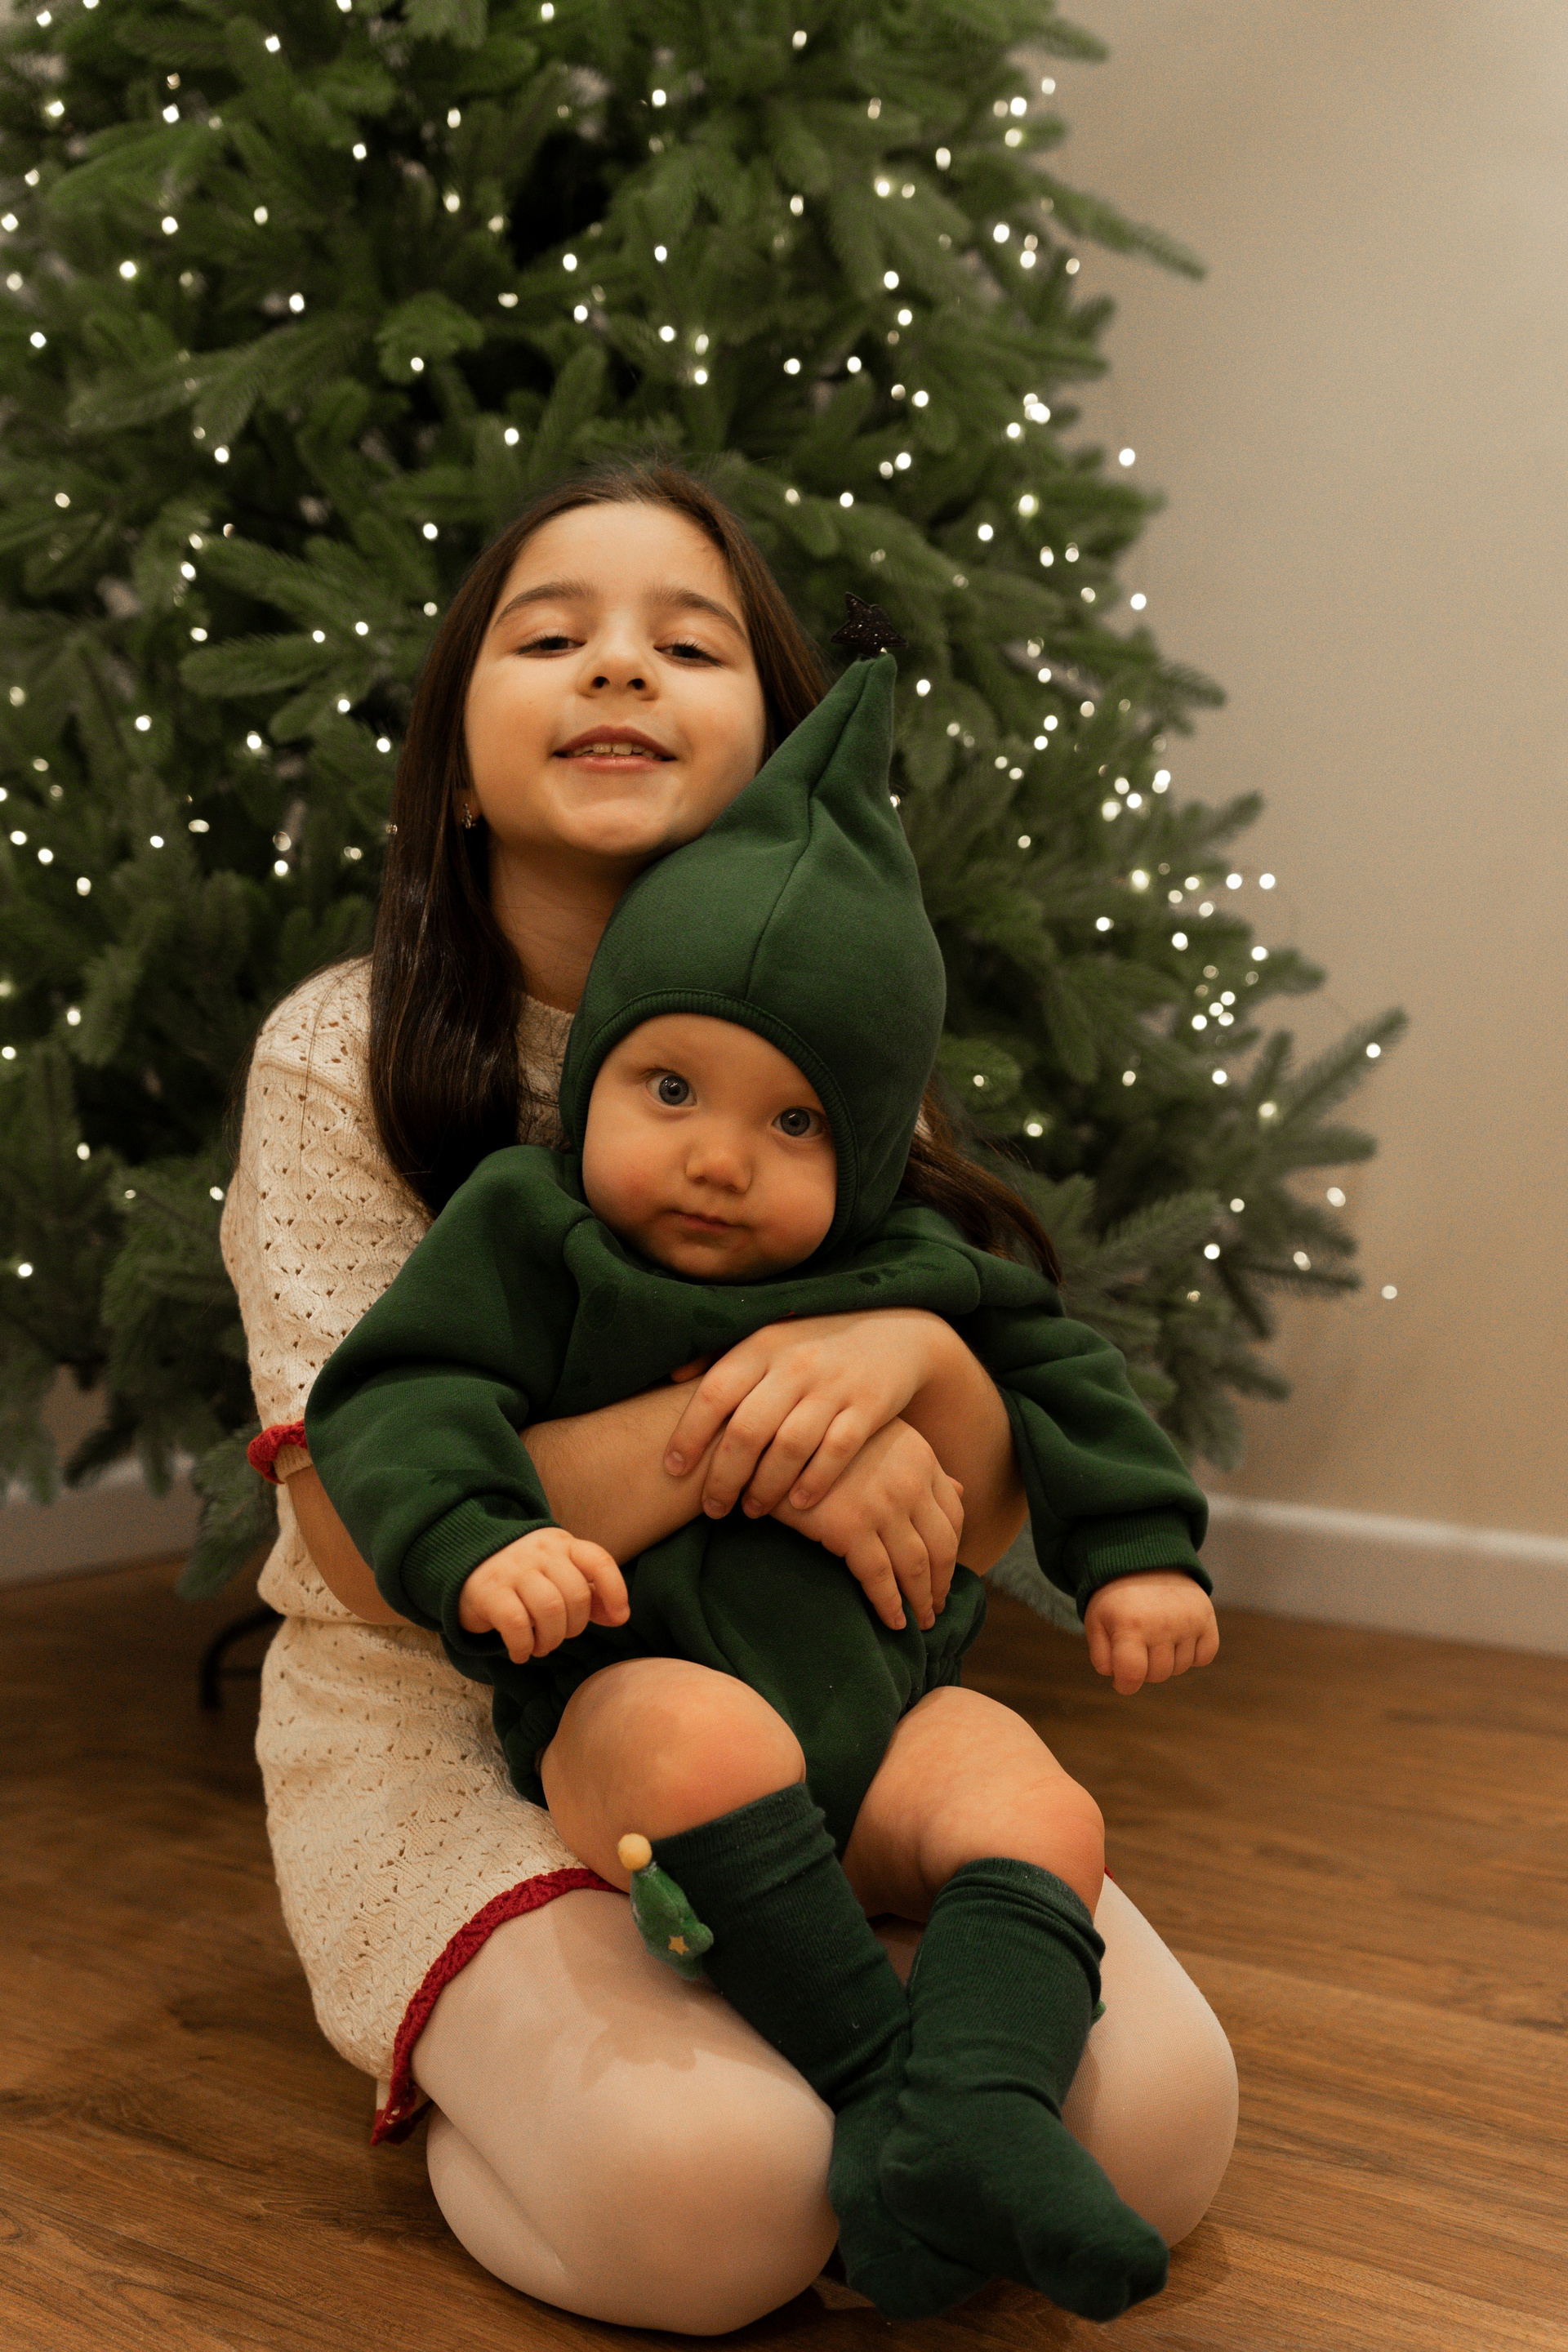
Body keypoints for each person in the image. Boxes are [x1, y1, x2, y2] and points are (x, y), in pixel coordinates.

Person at [225, 462, 1239, 2332]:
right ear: (456, 760)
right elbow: (366, 1537)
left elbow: (966, 1521)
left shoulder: (838, 1042)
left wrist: (908, 1358)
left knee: (1163, 2137)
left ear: (773, 751)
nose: (620, 668)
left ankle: (901, 2114)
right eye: (552, 636)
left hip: (815, 1684)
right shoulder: (340, 1059)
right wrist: (753, 1444)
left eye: (688, 647)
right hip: (450, 1704)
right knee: (720, 2203)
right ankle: (689, 2103)